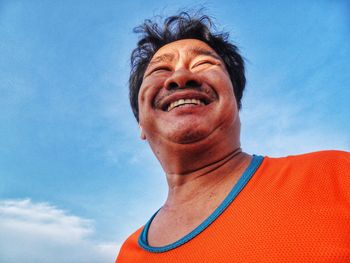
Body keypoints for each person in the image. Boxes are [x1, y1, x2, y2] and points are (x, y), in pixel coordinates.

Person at [116, 11, 350, 262]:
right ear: (140, 123)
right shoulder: (129, 255)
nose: (180, 77)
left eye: (203, 64)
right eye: (160, 69)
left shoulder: (335, 175)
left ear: (235, 103)